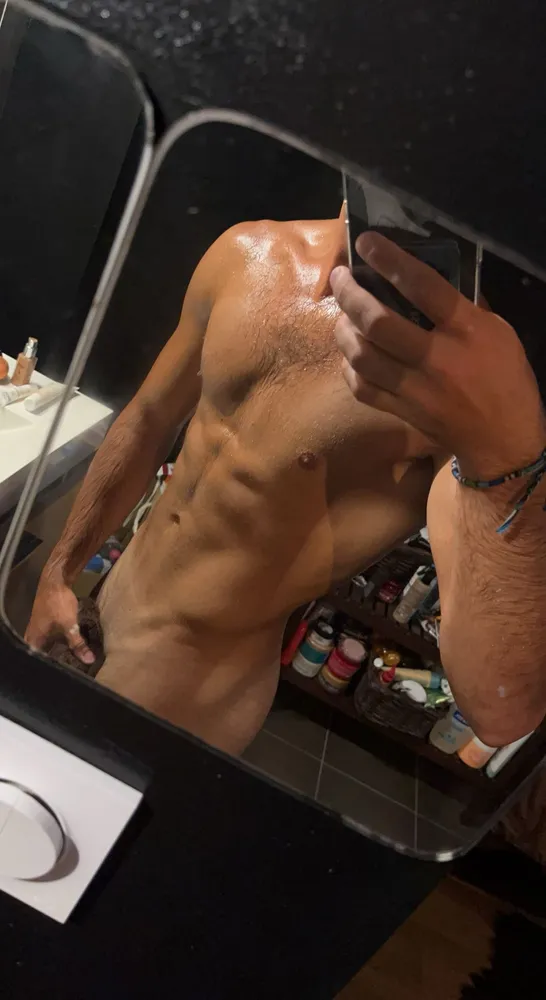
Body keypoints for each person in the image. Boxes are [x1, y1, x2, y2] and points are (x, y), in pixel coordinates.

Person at [25, 212, 546, 756]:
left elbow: (500, 711)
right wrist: (58, 570)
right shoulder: (247, 250)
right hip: (103, 608)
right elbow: (149, 418)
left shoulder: (457, 381)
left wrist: (505, 453)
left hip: (189, 692)